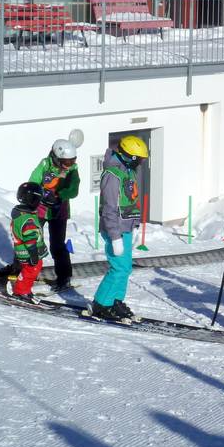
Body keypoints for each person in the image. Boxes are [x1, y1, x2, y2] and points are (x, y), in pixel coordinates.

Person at [90, 135, 148, 322]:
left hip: (126, 228)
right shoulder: (112, 175)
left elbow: (131, 201)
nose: (140, 163)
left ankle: (115, 301)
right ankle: (101, 303)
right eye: (139, 159)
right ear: (130, 156)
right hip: (115, 229)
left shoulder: (128, 171)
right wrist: (115, 237)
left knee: (125, 268)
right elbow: (109, 209)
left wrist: (135, 225)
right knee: (119, 268)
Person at [29, 139, 80, 291]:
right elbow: (33, 181)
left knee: (57, 244)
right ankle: (22, 270)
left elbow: (74, 189)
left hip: (59, 210)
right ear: (57, 158)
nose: (68, 165)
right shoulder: (45, 164)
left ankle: (64, 277)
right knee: (30, 239)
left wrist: (59, 195)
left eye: (72, 161)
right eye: (66, 162)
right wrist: (39, 194)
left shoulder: (72, 170)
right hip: (41, 208)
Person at [5, 182, 49, 304]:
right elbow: (30, 239)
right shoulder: (27, 219)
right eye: (38, 200)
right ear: (33, 200)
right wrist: (34, 254)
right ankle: (21, 291)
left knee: (28, 270)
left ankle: (23, 289)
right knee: (31, 271)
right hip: (30, 252)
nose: (39, 203)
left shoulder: (21, 214)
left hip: (24, 251)